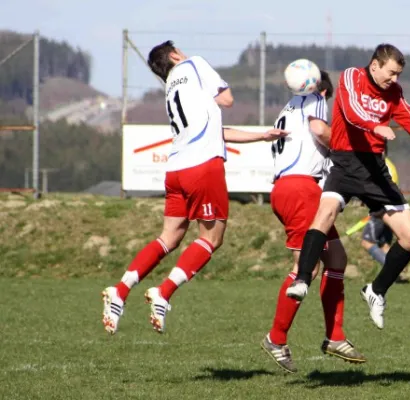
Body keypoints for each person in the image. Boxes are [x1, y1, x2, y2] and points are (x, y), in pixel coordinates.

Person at [101, 41, 287, 335]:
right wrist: (219, 88)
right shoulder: (194, 64)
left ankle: (121, 291)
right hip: (203, 168)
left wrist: (261, 135)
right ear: (175, 55)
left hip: (176, 170)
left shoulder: (171, 88)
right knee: (211, 238)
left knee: (169, 238)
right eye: (181, 50)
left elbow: (217, 131)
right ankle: (163, 292)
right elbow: (227, 100)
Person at [286, 43, 410, 330]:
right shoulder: (350, 77)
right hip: (345, 162)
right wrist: (375, 126)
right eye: (391, 73)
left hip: (374, 169)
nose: (394, 80)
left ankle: (376, 291)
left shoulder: (393, 93)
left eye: (398, 75)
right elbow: (351, 110)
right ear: (375, 66)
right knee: (326, 213)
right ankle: (302, 279)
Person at [260, 70, 366, 373]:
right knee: (306, 266)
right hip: (300, 189)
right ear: (323, 89)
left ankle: (335, 335)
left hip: (291, 188)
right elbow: (320, 130)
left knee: (336, 258)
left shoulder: (290, 106)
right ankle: (276, 338)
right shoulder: (315, 99)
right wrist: (349, 149)